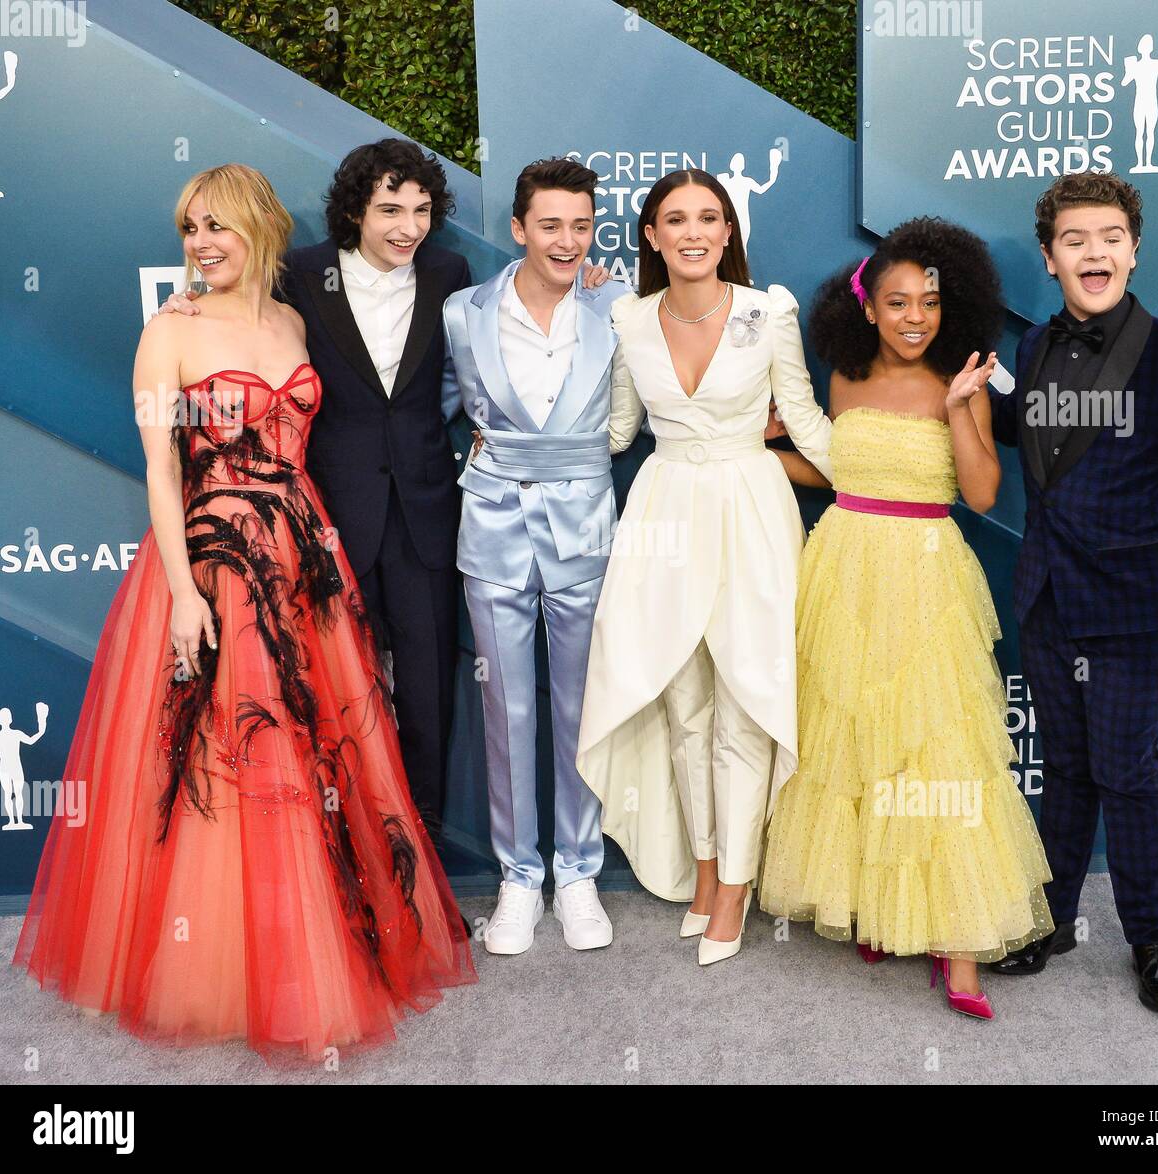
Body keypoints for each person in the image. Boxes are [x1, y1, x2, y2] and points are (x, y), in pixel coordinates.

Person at [13, 164, 475, 1061]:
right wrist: (183, 593)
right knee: (227, 757)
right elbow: (158, 470)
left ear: (261, 231)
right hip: (216, 562)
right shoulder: (168, 332)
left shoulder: (293, 318)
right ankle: (222, 965)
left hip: (306, 555)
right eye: (191, 230)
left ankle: (316, 942)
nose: (202, 246)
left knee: (320, 747)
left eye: (219, 228)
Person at [759, 218, 1054, 1018]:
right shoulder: (844, 381)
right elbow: (833, 472)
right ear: (867, 309)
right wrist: (751, 446)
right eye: (898, 303)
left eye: (928, 301)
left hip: (926, 575)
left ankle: (959, 949)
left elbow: (985, 493)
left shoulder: (960, 378)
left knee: (940, 750)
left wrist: (961, 408)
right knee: (851, 740)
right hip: (845, 565)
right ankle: (873, 909)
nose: (915, 317)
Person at [987, 173, 1158, 1014]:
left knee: (1127, 772)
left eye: (1110, 236)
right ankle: (1052, 920)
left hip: (1137, 606)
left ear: (1133, 250)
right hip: (1048, 598)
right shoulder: (1032, 348)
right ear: (1050, 256)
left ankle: (1152, 940)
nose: (1093, 251)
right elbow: (1036, 441)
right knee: (1065, 768)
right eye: (1075, 239)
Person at [161, 139, 470, 846]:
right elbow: (235, 312)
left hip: (424, 514)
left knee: (425, 699)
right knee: (334, 701)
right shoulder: (301, 277)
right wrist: (185, 300)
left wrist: (595, 282)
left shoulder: (451, 272)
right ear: (356, 209)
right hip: (323, 520)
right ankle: (344, 866)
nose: (408, 226)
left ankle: (414, 867)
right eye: (391, 208)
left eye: (422, 211)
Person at [576, 168, 835, 966]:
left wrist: (882, 478)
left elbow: (804, 418)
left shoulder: (771, 311)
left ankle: (737, 888)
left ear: (729, 233)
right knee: (684, 704)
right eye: (675, 219)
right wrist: (513, 445)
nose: (694, 231)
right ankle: (707, 866)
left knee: (747, 700)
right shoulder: (624, 317)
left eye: (709, 218)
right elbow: (617, 432)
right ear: (650, 236)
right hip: (662, 515)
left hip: (752, 510)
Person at [441, 158, 626, 955]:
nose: (567, 241)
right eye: (550, 225)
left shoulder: (620, 307)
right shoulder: (461, 312)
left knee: (582, 702)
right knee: (506, 706)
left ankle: (578, 872)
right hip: (493, 523)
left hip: (585, 525)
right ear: (518, 228)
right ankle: (520, 878)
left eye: (580, 226)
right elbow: (430, 409)